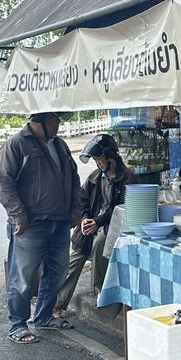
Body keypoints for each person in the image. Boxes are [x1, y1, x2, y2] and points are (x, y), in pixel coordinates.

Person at [0, 112, 82, 343]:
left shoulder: (60, 145)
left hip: (60, 222)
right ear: (40, 120)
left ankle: (43, 317)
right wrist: (19, 215)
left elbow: (73, 178)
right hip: (30, 224)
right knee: (22, 276)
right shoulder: (16, 145)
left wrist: (75, 211)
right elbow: (3, 182)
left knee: (58, 271)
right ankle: (18, 325)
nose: (60, 123)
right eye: (55, 118)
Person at [53, 133, 135, 320]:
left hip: (114, 228)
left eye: (100, 159)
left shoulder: (128, 178)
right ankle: (57, 304)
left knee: (100, 244)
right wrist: (85, 219)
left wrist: (98, 221)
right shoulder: (95, 177)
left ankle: (102, 291)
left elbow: (122, 208)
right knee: (74, 259)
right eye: (96, 160)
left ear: (111, 157)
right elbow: (82, 200)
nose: (98, 163)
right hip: (92, 225)